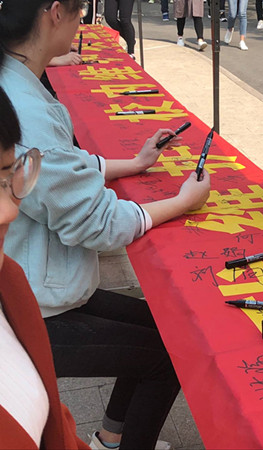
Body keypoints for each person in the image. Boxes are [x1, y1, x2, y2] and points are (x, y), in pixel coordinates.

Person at [0, 1, 211, 449]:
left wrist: (132, 163)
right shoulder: (25, 110)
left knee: (166, 328)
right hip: (35, 302)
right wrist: (181, 203)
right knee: (169, 355)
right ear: (55, 12)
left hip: (44, 280)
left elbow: (59, 169)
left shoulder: (15, 83)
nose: (82, 25)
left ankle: (110, 437)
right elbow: (95, 222)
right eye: (80, 15)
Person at [0, 87, 89, 450]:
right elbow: (92, 219)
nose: (9, 211)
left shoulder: (9, 280)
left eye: (8, 175)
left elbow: (54, 424)